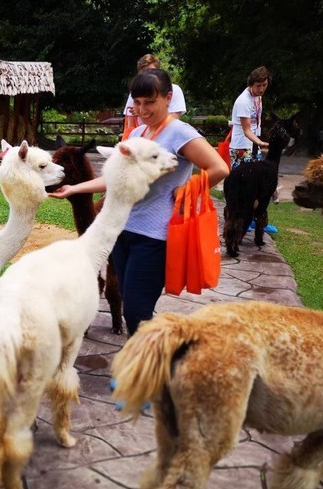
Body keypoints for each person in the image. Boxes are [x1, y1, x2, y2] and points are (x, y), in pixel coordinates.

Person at [51, 70, 228, 336]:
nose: (142, 110)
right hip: (123, 231)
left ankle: (148, 360)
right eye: (138, 102)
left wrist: (187, 188)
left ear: (168, 98)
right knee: (128, 302)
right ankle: (143, 358)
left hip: (155, 237)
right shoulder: (138, 133)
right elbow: (116, 178)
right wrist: (74, 188)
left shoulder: (180, 133)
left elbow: (219, 168)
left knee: (136, 311)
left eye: (150, 102)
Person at [121, 54, 186, 140]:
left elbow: (173, 118)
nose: (147, 75)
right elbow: (130, 123)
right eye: (137, 102)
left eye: (150, 102)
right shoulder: (136, 92)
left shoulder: (174, 89)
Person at [229, 65, 270, 170]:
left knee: (256, 176)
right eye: (258, 86)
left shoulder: (258, 96)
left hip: (254, 144)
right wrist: (261, 142)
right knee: (242, 178)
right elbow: (246, 130)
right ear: (251, 85)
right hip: (241, 146)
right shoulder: (244, 101)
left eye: (264, 85)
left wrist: (257, 143)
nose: (261, 89)